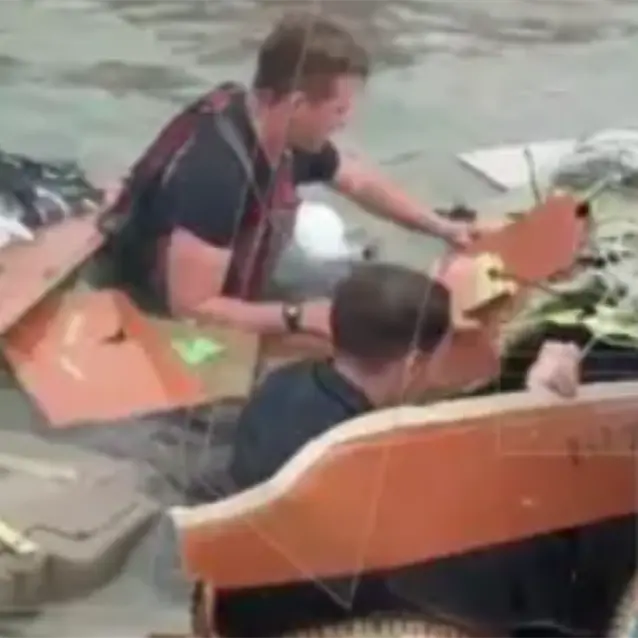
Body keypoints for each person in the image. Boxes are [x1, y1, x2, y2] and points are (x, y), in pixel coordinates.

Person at [196, 262, 611, 638]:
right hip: (321, 615)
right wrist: (540, 413)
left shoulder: (283, 382)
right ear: (413, 363)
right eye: (443, 351)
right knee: (548, 562)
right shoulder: (368, 459)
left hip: (245, 595)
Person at [101, 13, 475, 339]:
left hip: (237, 272)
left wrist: (441, 228)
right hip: (165, 307)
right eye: (339, 109)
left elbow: (358, 181)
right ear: (296, 105)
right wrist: (298, 317)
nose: (346, 121)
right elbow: (191, 307)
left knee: (367, 289)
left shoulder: (276, 127)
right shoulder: (216, 177)